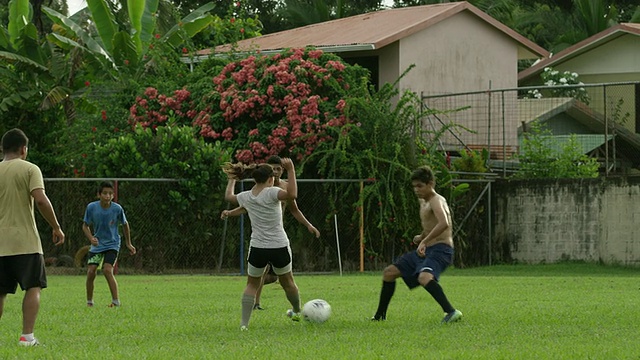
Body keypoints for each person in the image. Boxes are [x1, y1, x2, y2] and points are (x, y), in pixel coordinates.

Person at [224, 155, 320, 311]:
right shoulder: (260, 188)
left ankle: (282, 306)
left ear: (282, 171)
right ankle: (257, 303)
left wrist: (308, 225)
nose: (275, 172)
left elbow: (294, 209)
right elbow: (245, 206)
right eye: (273, 168)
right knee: (263, 273)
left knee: (276, 277)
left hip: (277, 236)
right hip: (263, 237)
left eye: (278, 169)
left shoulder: (283, 188)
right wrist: (231, 212)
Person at [372, 166, 462, 324]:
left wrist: (424, 241)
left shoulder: (436, 200)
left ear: (431, 184)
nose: (416, 189)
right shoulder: (423, 202)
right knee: (389, 273)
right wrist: (422, 236)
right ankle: (380, 316)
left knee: (424, 277)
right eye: (414, 186)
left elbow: (444, 223)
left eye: (420, 186)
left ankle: (451, 312)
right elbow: (431, 225)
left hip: (441, 250)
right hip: (427, 249)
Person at [0, 128, 65, 346]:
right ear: (23, 149)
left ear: (3, 149)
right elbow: (40, 200)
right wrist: (56, 227)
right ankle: (27, 337)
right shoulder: (30, 169)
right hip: (25, 241)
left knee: (0, 292)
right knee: (33, 286)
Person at [220, 159, 303, 330]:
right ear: (270, 179)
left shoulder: (246, 197)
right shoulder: (273, 193)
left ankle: (244, 324)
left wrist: (232, 178)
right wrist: (292, 171)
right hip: (279, 246)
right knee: (287, 282)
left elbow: (229, 197)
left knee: (252, 284)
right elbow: (292, 195)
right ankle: (296, 311)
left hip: (258, 248)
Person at [82, 181, 136, 308]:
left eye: (110, 193)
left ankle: (116, 301)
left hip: (112, 244)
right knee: (91, 272)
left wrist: (129, 243)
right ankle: (89, 302)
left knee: (107, 270)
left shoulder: (117, 209)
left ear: (113, 195)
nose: (107, 196)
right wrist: (91, 238)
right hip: (97, 246)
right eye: (105, 193)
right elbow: (85, 225)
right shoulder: (92, 207)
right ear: (99, 194)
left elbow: (125, 225)